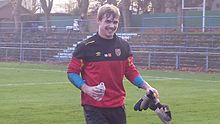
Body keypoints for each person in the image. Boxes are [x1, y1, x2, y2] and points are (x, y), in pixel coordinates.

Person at [67, 4, 159, 124]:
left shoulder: (124, 46)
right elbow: (72, 72)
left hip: (117, 105)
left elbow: (130, 71)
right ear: (99, 20)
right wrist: (86, 88)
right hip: (94, 106)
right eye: (108, 21)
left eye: (115, 22)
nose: (111, 26)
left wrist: (147, 87)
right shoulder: (85, 47)